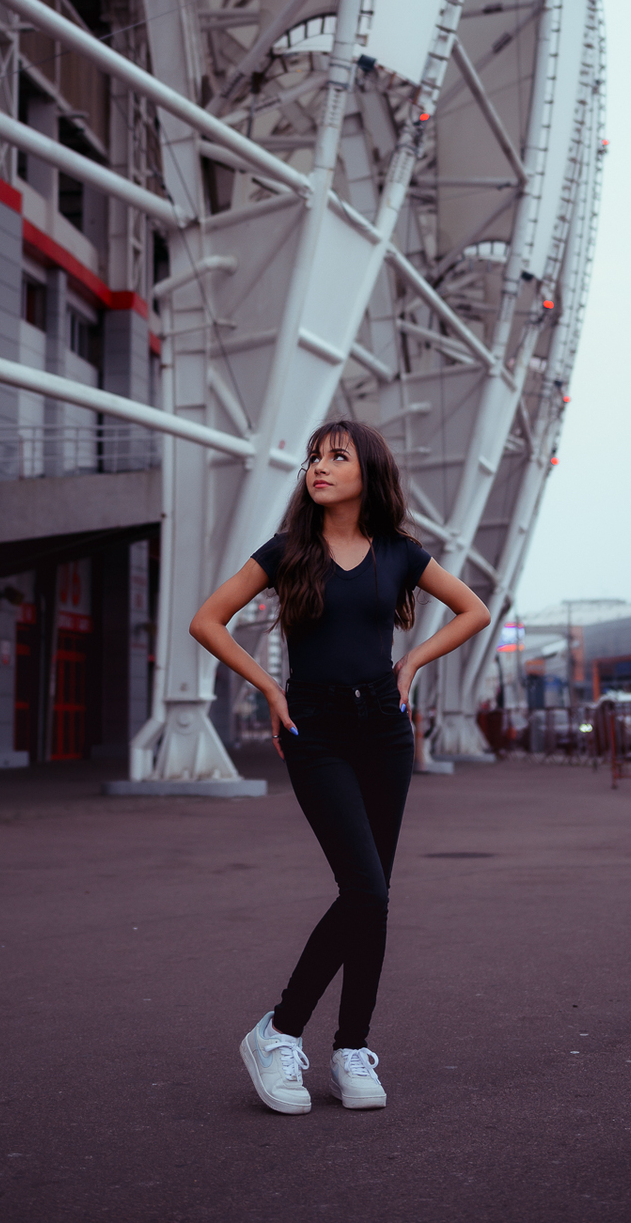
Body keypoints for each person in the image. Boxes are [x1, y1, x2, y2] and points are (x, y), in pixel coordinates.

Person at [189, 417, 490, 1115]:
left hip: (384, 727)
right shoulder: (287, 550)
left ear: (368, 472)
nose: (318, 468)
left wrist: (411, 664)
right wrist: (269, 688)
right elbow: (207, 621)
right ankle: (279, 1030)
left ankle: (352, 1048)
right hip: (314, 730)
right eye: (314, 458)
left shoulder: (400, 553)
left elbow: (473, 610)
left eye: (336, 457)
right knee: (366, 889)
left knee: (374, 895)